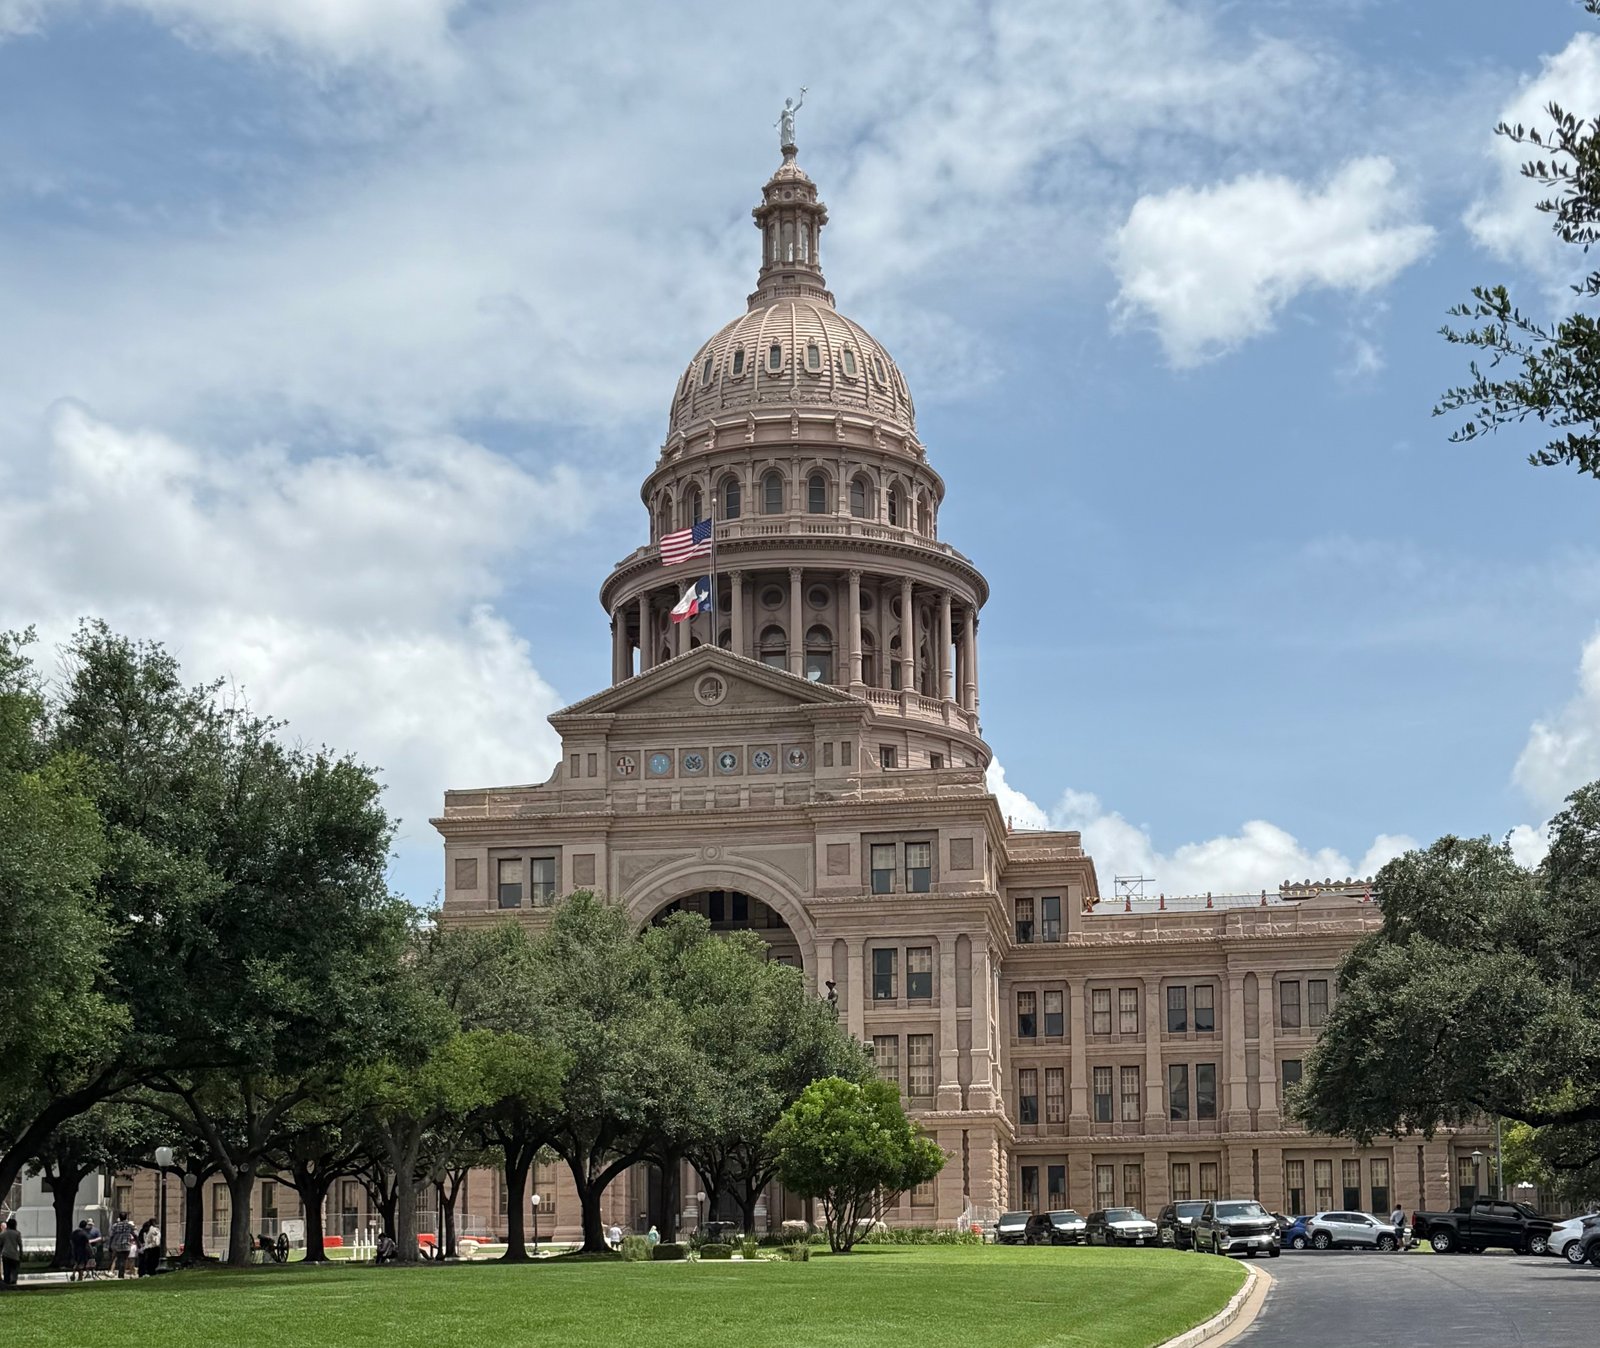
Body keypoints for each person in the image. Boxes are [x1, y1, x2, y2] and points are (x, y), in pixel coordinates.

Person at [107, 1211, 136, 1278]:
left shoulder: (115, 1226)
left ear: (119, 1217)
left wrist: (110, 1245)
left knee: (119, 1259)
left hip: (117, 1245)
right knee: (124, 1259)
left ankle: (120, 1273)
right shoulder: (129, 1225)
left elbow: (111, 1236)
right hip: (126, 1245)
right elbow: (134, 1234)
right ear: (126, 1217)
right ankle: (121, 1274)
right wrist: (138, 1243)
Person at [1, 1216, 21, 1288]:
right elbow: (20, 1244)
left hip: (5, 1254)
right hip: (14, 1255)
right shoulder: (17, 1233)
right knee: (14, 1270)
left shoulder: (3, 1233)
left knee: (6, 1270)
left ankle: (7, 1283)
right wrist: (21, 1254)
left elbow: (1, 1244)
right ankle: (13, 1281)